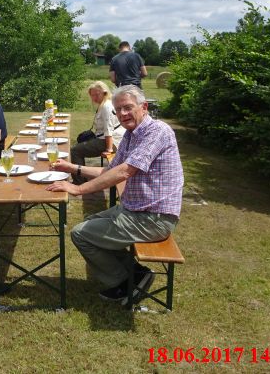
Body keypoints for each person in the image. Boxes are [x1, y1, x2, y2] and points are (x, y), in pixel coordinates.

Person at [46, 85, 183, 306]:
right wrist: (72, 168)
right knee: (90, 224)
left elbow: (125, 171)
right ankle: (137, 273)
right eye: (118, 110)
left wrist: (78, 189)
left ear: (144, 107)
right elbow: (110, 170)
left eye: (128, 108)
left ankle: (128, 281)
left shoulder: (157, 131)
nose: (123, 114)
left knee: (81, 234)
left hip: (154, 218)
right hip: (134, 210)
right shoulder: (131, 134)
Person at [71, 81, 125, 183]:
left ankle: (79, 181)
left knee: (75, 151)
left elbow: (108, 129)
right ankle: (82, 176)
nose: (94, 98)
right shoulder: (105, 103)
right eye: (92, 95)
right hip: (107, 138)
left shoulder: (106, 106)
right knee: (80, 145)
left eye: (97, 94)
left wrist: (109, 149)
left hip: (111, 141)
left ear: (104, 93)